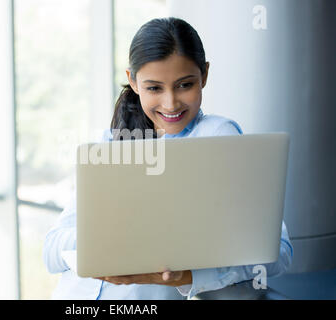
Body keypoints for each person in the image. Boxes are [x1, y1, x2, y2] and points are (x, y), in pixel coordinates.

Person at [43, 17, 293, 300]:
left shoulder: (217, 137)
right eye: (154, 88)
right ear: (133, 81)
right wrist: (101, 241)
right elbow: (52, 252)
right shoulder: (109, 142)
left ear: (205, 75)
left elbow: (277, 252)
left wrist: (189, 276)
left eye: (185, 85)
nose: (171, 103)